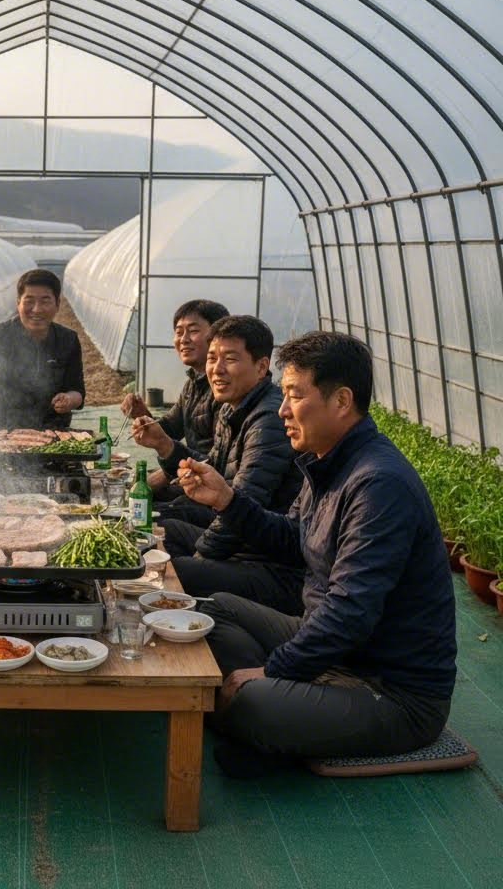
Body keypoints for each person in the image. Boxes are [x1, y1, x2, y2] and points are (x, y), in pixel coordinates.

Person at [176, 332, 456, 777]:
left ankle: (258, 718)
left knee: (250, 701)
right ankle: (264, 720)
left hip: (388, 689)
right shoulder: (326, 461)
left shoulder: (378, 484)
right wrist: (228, 501)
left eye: (293, 395)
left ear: (341, 401)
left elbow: (350, 611)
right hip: (330, 650)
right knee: (209, 613)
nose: (282, 409)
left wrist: (273, 669)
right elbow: (295, 539)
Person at [132, 315, 303, 615]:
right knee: (161, 532)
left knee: (171, 572)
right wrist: (164, 445)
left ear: (262, 367)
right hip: (245, 538)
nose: (216, 369)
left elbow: (242, 505)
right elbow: (217, 474)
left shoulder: (269, 422)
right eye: (212, 358)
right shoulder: (232, 407)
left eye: (230, 359)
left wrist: (200, 560)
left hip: (269, 560)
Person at [120, 299, 228, 500]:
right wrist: (142, 414)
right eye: (179, 332)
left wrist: (164, 463)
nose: (184, 339)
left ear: (217, 337)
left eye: (193, 331)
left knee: (147, 503)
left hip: (208, 484)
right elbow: (171, 428)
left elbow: (218, 465)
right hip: (189, 472)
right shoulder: (193, 382)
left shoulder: (225, 389)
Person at [0, 268, 85, 430]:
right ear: (18, 303)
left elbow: (77, 390)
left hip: (51, 432)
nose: (37, 309)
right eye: (29, 301)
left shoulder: (68, 339)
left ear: (58, 304)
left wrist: (69, 399)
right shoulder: (1, 334)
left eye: (45, 301)